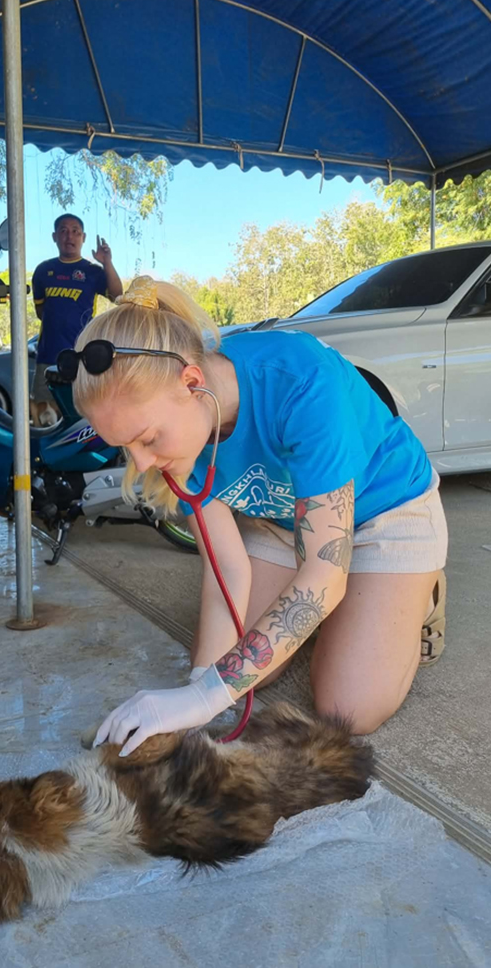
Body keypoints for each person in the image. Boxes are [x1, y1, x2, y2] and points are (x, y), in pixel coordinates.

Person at [63, 276, 448, 757]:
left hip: (383, 511)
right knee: (234, 672)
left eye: (147, 439)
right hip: (282, 518)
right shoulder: (181, 431)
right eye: (125, 447)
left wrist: (206, 697)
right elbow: (226, 567)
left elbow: (324, 571)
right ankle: (355, 613)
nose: (141, 464)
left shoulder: (302, 382)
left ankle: (417, 594)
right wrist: (200, 691)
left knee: (347, 708)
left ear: (192, 383)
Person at [31, 213, 123, 421]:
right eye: (63, 231)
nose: (69, 236)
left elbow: (117, 296)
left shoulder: (92, 271)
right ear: (54, 237)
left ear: (83, 238)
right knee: (44, 417)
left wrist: (107, 263)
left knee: (82, 418)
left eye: (75, 232)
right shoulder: (43, 271)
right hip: (47, 357)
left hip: (83, 358)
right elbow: (40, 312)